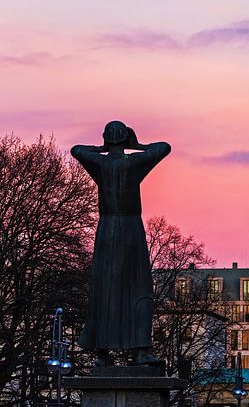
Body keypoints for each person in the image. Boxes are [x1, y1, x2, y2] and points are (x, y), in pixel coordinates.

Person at [71, 121, 171, 366]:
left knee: (105, 290)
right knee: (139, 288)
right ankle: (140, 350)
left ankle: (102, 352)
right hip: (130, 230)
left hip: (106, 231)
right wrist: (138, 145)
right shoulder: (133, 163)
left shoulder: (100, 164)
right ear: (126, 139)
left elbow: (76, 150)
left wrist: (101, 148)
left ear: (107, 139)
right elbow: (164, 147)